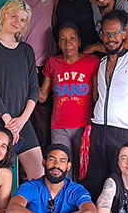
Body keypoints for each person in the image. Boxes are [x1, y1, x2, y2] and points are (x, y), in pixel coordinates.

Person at [81, 9, 128, 199]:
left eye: (115, 33)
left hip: (122, 132)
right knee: (94, 182)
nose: (110, 38)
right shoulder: (102, 62)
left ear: (123, 34)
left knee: (120, 184)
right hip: (98, 130)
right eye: (106, 33)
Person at [0, 0, 43, 180]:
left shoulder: (27, 50)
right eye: (14, 16)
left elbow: (34, 89)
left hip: (22, 120)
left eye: (22, 20)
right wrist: (7, 119)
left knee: (39, 176)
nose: (17, 22)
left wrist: (21, 121)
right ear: (5, 13)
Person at [39, 22, 99, 180]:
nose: (68, 43)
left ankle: (81, 196)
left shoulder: (92, 61)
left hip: (84, 126)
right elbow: (42, 96)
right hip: (59, 127)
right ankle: (64, 196)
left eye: (72, 38)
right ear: (58, 44)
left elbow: (96, 95)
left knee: (83, 169)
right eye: (63, 39)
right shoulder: (52, 62)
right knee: (61, 170)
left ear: (79, 42)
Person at [15, 0, 61, 149]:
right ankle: (22, 161)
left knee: (43, 113)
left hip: (45, 64)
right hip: (20, 65)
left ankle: (42, 158)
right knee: (21, 113)